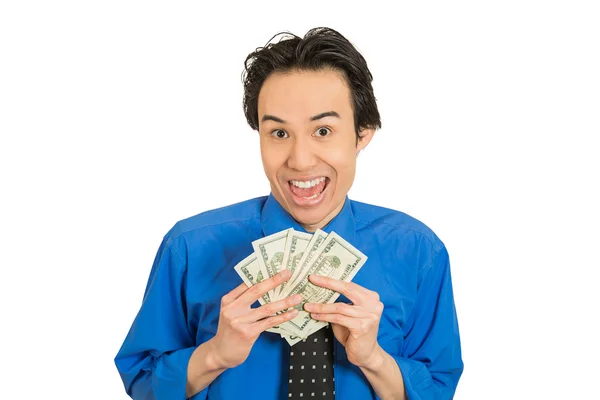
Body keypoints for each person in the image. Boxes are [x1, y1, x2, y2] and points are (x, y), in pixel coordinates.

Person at [115, 27, 463, 399]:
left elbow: (438, 388)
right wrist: (214, 355)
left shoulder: (418, 251)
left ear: (362, 134)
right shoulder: (188, 247)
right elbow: (142, 383)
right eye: (279, 134)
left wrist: (374, 359)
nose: (299, 160)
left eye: (323, 130)